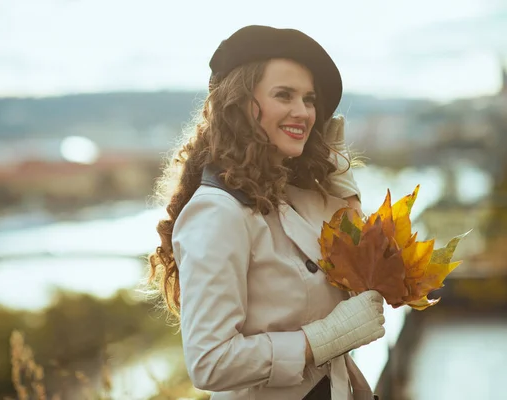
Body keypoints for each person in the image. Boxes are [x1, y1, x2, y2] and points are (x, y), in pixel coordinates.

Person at [147, 25, 385, 400]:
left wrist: (343, 183)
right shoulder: (217, 213)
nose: (303, 112)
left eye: (309, 99)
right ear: (240, 104)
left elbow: (362, 278)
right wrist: (320, 341)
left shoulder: (296, 195)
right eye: (284, 95)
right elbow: (209, 361)